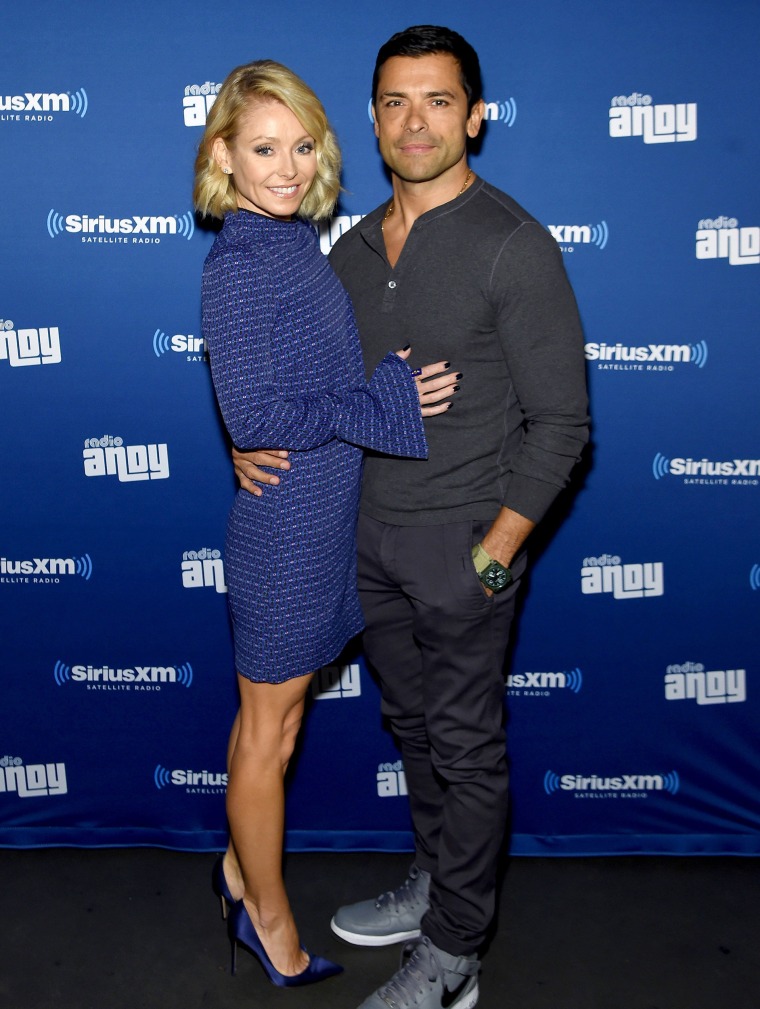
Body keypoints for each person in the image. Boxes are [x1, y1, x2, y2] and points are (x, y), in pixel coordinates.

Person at [233, 26, 590, 1009]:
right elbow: (292, 380)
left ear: (474, 115)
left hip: (464, 547)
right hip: (362, 539)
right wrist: (243, 436)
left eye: (438, 100)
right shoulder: (346, 249)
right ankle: (438, 886)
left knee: (466, 745)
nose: (414, 120)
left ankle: (453, 955)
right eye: (394, 101)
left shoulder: (512, 244)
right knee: (414, 729)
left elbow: (562, 423)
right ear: (374, 119)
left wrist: (496, 551)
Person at [194, 58, 457, 990]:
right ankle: (268, 917)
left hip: (312, 519)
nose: (288, 168)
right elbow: (261, 417)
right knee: (269, 733)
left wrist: (356, 393)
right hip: (285, 532)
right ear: (222, 153)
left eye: (302, 146)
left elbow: (277, 393)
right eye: (263, 148)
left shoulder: (289, 243)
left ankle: (236, 871)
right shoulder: (240, 263)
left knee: (274, 722)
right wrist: (379, 395)